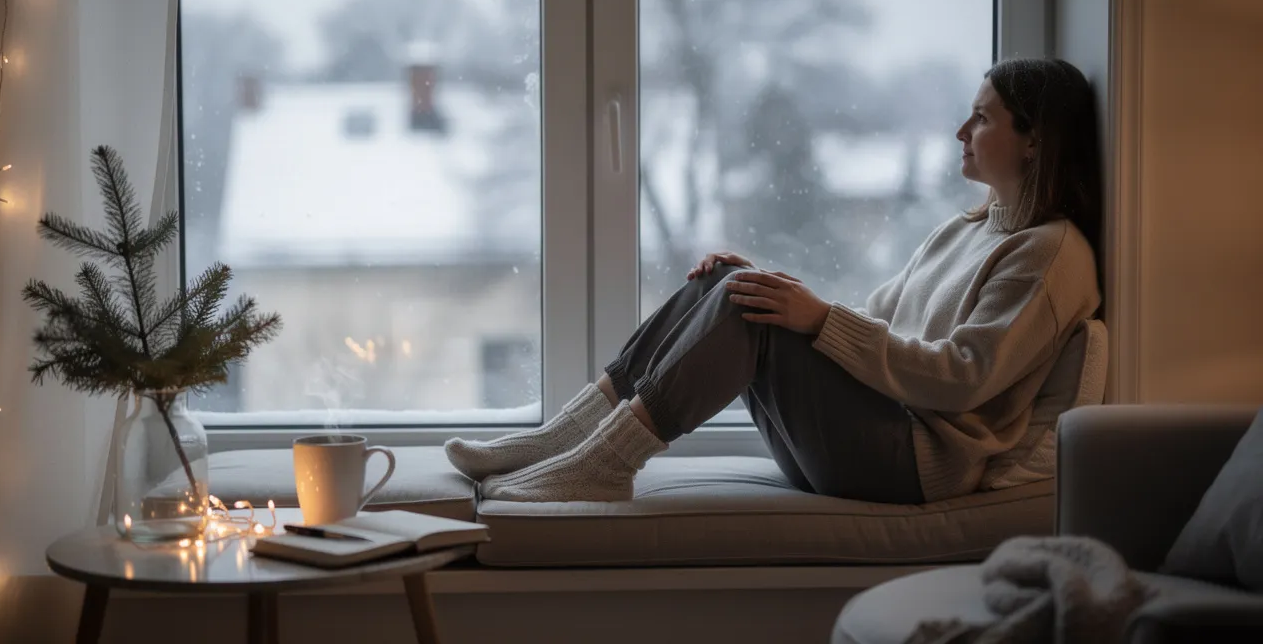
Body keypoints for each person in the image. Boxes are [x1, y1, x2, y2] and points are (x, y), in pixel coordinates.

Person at [446, 57, 1103, 505]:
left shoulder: (1052, 254)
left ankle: (601, 468)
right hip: (867, 437)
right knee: (731, 280)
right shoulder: (970, 227)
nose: (962, 131)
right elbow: (872, 318)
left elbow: (964, 377)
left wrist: (811, 318)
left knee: (742, 297)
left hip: (913, 462)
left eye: (983, 118)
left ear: (1034, 141)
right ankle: (560, 441)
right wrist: (780, 291)